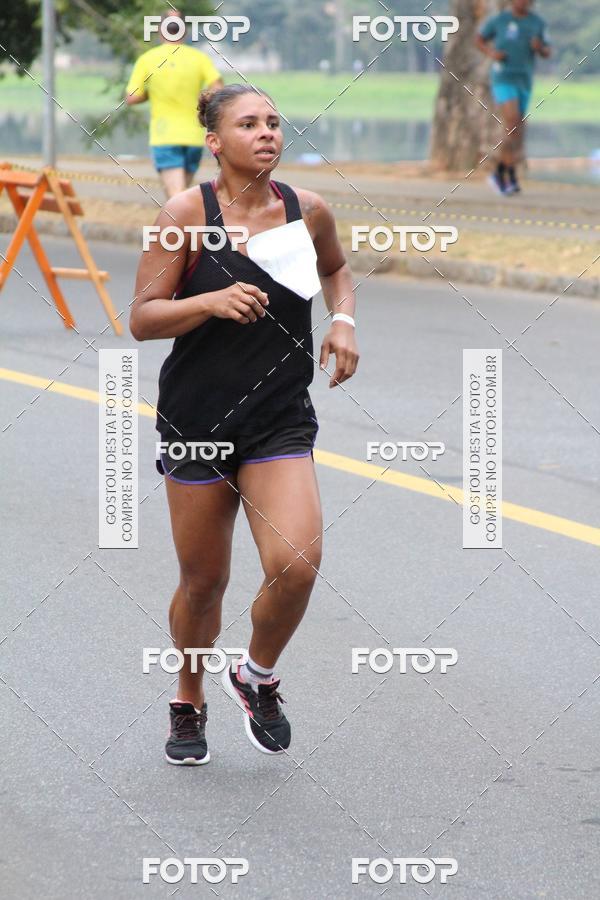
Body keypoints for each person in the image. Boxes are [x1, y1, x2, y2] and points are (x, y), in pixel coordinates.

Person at [130, 84, 359, 764]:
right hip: (198, 419)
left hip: (278, 418)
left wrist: (342, 321)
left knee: (297, 563)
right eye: (249, 124)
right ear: (215, 141)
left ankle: (255, 675)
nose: (267, 134)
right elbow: (142, 317)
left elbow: (339, 270)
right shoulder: (185, 213)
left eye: (274, 123)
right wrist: (211, 301)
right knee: (204, 583)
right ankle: (188, 698)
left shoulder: (305, 209)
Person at [125, 9, 223, 198]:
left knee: (177, 198)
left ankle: (178, 227)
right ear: (184, 31)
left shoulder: (147, 59)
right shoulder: (199, 58)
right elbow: (218, 89)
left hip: (165, 136)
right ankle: (178, 226)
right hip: (194, 137)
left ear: (160, 31)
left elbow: (132, 97)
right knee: (179, 196)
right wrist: (202, 101)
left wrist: (150, 94)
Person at [476, 0, 551, 195]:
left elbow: (547, 51)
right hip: (503, 78)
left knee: (517, 130)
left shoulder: (537, 23)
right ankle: (503, 175)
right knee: (511, 122)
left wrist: (539, 48)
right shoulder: (500, 20)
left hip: (524, 80)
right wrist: (492, 54)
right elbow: (479, 39)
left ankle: (505, 172)